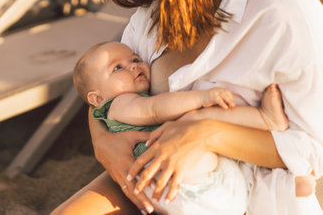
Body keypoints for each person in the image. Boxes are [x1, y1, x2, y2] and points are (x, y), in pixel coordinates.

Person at [52, 0, 323, 214]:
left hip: (243, 194)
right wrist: (102, 142)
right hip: (153, 175)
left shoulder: (287, 16)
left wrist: (206, 133)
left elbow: (313, 150)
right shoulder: (156, 7)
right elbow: (104, 86)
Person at [71, 40, 311, 214]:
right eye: (117, 68)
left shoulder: (111, 107)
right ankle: (266, 121)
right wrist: (201, 99)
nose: (133, 65)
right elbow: (155, 108)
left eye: (134, 59)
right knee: (195, 120)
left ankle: (288, 187)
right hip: (181, 181)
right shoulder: (119, 105)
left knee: (222, 154)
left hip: (181, 193)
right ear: (97, 100)